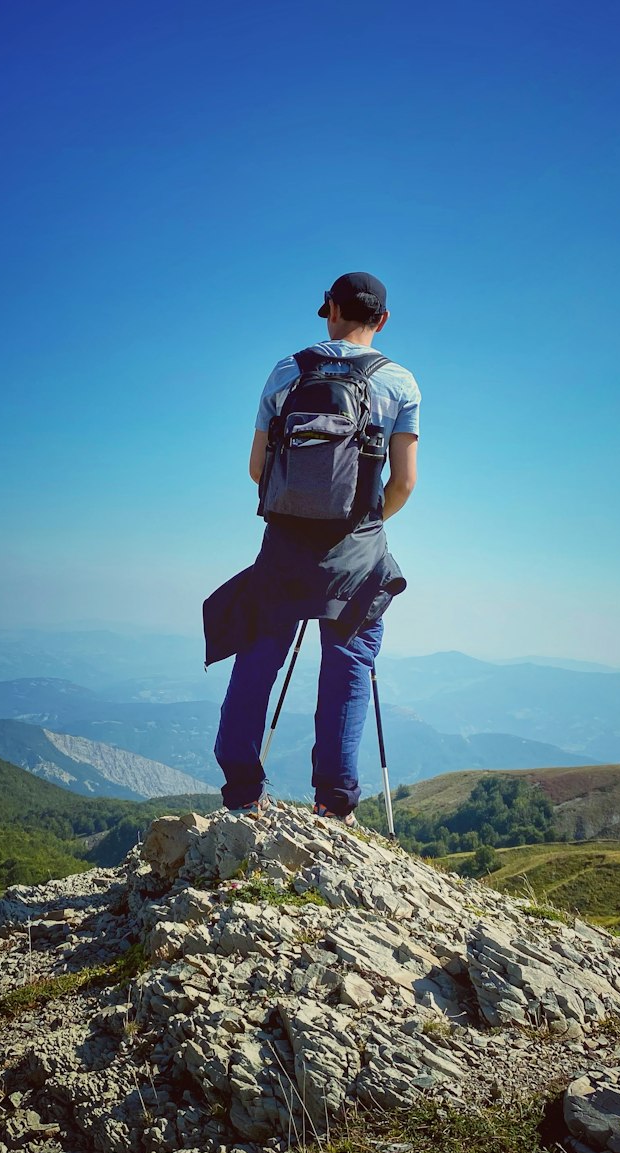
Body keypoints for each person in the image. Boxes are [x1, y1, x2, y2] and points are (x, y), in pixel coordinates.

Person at [203, 272, 420, 825]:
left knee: (258, 652)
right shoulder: (400, 383)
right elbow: (403, 484)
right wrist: (361, 524)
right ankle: (334, 802)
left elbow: (257, 468)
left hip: (283, 546)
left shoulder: (286, 371)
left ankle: (242, 792)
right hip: (357, 553)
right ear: (383, 319)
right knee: (348, 666)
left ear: (328, 309)